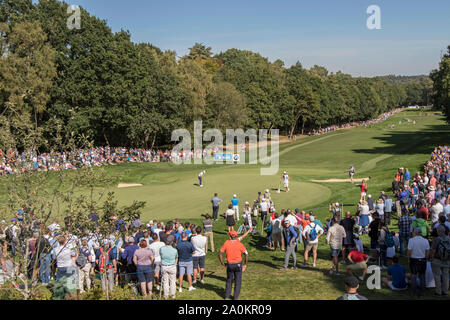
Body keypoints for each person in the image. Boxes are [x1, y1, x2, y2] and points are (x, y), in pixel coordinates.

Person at [219, 230, 249, 300]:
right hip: (238, 264)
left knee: (229, 280)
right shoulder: (239, 244)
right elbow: (246, 255)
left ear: (230, 236)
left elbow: (220, 253)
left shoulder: (226, 243)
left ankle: (227, 296)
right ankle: (235, 297)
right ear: (236, 236)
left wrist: (222, 262)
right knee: (238, 281)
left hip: (230, 265)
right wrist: (245, 264)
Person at [408, 227, 430, 297]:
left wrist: (409, 258)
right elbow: (427, 251)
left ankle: (414, 292)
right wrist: (426, 257)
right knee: (422, 276)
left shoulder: (411, 240)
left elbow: (409, 251)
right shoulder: (425, 240)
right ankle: (422, 291)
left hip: (414, 260)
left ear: (415, 232)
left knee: (413, 276)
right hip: (422, 260)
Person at [430, 225, 449, 296]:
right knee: (446, 275)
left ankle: (438, 291)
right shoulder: (448, 238)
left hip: (437, 259)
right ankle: (445, 291)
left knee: (437, 275)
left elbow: (433, 250)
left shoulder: (437, 239)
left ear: (439, 231)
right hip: (447, 259)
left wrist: (431, 258)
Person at [160, 235, 178, 299]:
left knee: (165, 282)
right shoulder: (174, 250)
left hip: (164, 266)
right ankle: (172, 295)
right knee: (173, 281)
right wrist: (175, 264)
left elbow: (161, 256)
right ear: (172, 242)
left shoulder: (162, 249)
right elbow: (176, 258)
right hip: (172, 266)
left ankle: (166, 295)